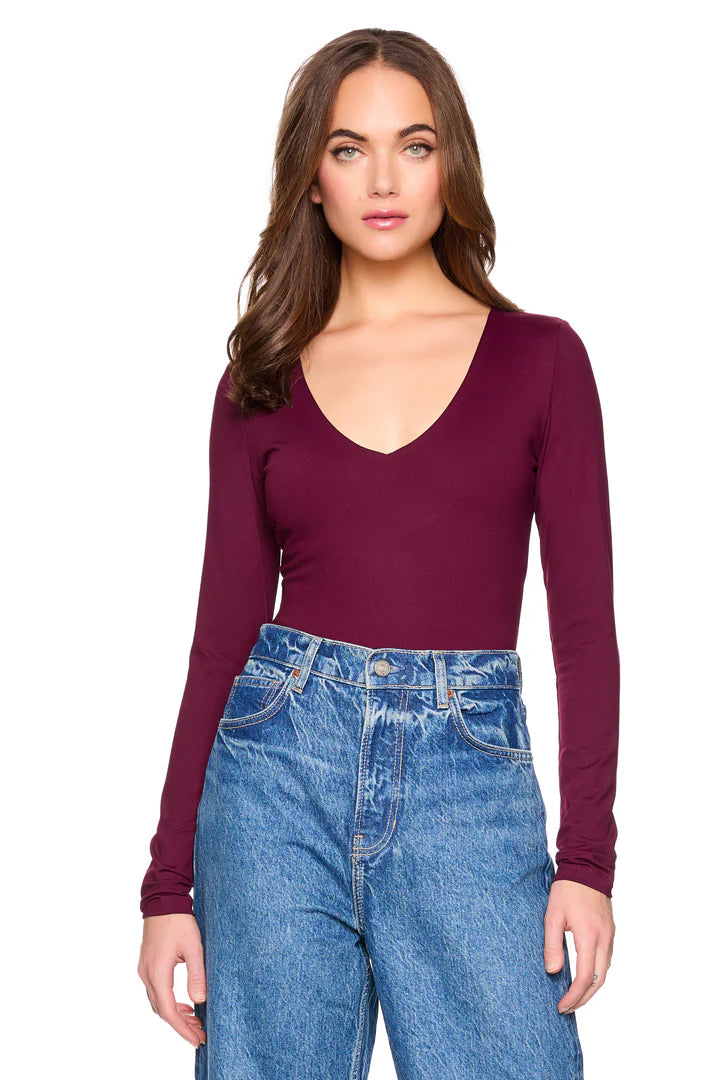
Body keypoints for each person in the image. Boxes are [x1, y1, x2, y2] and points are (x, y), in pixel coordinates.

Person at [137, 27, 618, 1080]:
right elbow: (221, 636)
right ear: (313, 177)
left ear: (453, 164)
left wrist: (586, 861)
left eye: (416, 144)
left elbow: (585, 634)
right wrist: (167, 885)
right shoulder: (260, 379)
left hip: (467, 780)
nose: (385, 179)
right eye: (350, 148)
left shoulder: (541, 360)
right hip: (274, 776)